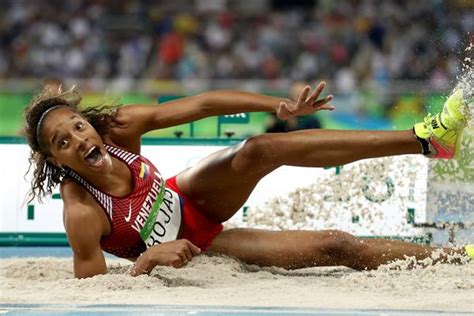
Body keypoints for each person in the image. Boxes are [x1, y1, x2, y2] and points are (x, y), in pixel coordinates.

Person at [23, 81, 473, 278]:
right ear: (55, 159)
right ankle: (458, 257)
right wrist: (149, 261)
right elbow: (93, 295)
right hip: (197, 247)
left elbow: (200, 105)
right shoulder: (80, 210)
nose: (78, 140)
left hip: (188, 194)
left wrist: (278, 105)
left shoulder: (116, 129)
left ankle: (426, 140)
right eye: (63, 143)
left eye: (77, 126)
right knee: (337, 246)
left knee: (260, 148)